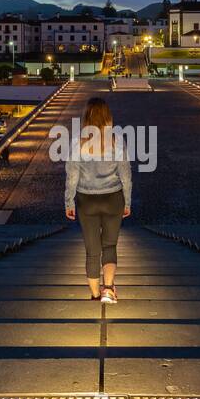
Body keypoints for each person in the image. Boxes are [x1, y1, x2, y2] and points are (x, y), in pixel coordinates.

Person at [64, 97, 131, 303]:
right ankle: (108, 290)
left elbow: (72, 176)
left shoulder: (77, 142)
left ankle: (94, 295)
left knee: (92, 250)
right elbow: (126, 174)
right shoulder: (117, 140)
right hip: (113, 197)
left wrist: (69, 202)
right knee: (110, 246)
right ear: (108, 116)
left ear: (86, 117)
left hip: (86, 200)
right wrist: (127, 201)